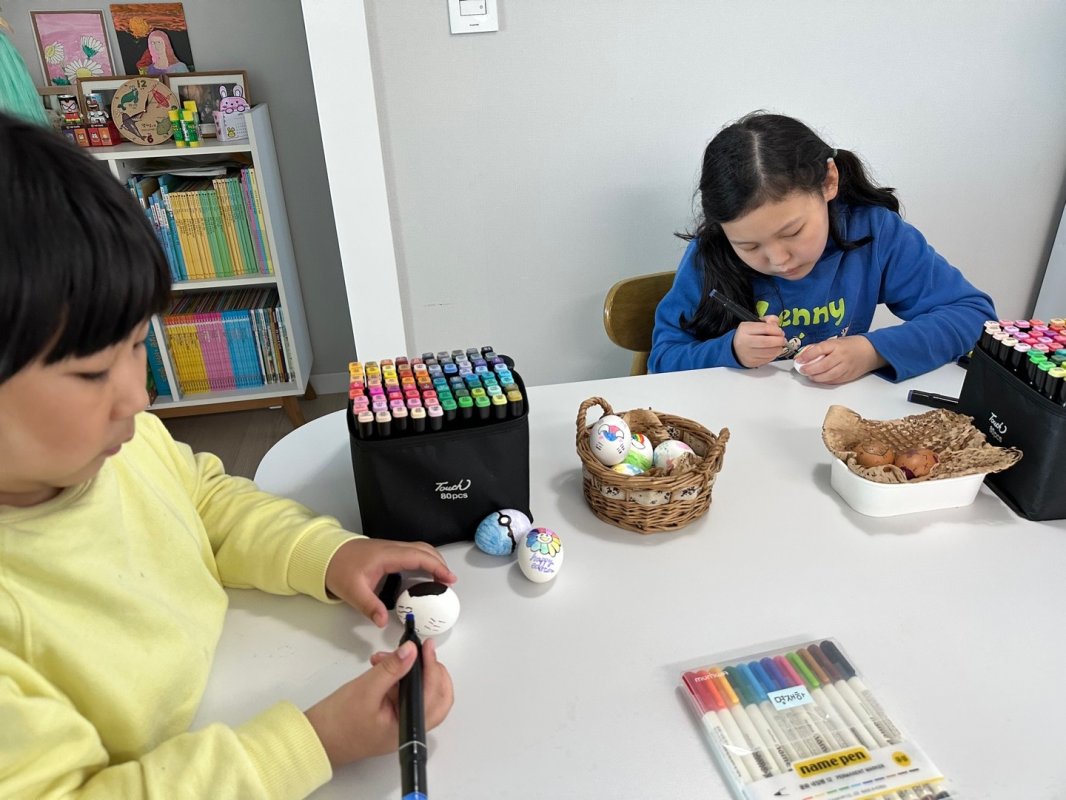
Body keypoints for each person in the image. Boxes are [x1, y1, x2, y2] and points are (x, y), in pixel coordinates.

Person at [0, 110, 454, 798]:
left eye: (137, 346)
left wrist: (327, 554)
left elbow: (206, 501)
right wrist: (314, 744)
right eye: (92, 373)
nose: (139, 397)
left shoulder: (121, 446)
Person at [649, 111, 995, 384]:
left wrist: (872, 351)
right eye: (749, 246)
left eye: (793, 231)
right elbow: (662, 360)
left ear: (829, 181)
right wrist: (731, 350)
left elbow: (973, 316)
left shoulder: (873, 232)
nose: (779, 260)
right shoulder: (711, 253)